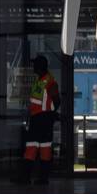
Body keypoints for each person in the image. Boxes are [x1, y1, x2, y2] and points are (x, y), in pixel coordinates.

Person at [14, 54, 60, 186]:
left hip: (43, 119)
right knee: (32, 148)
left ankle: (41, 178)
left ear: (40, 67)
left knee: (43, 148)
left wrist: (50, 114)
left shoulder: (49, 82)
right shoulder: (39, 81)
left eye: (35, 64)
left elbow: (57, 101)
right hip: (37, 119)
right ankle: (27, 177)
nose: (33, 66)